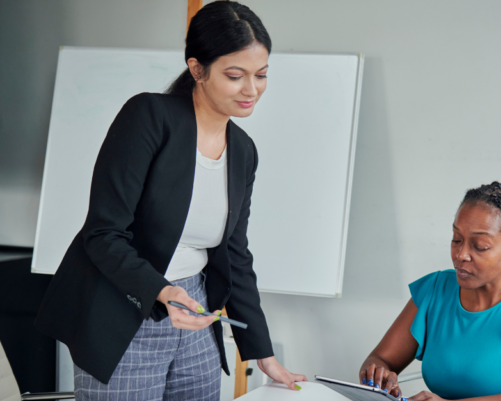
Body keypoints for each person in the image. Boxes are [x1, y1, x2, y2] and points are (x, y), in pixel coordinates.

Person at [34, 2, 306, 399]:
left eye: (261, 75)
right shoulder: (149, 117)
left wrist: (262, 354)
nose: (252, 90)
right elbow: (103, 233)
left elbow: (235, 253)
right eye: (235, 76)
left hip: (195, 312)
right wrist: (162, 291)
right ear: (197, 69)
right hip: (124, 309)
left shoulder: (243, 150)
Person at [360, 182, 501, 401]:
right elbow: (380, 358)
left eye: (480, 246)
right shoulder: (435, 290)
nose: (461, 254)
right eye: (456, 239)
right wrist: (378, 373)